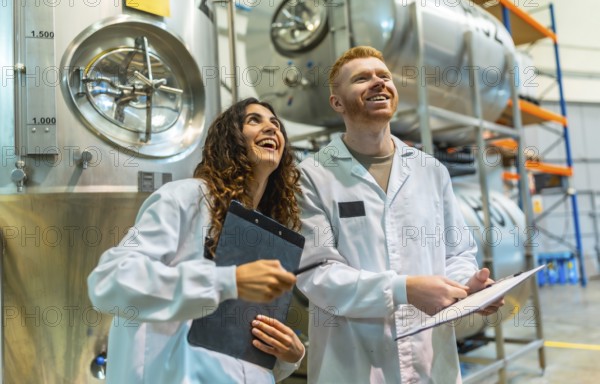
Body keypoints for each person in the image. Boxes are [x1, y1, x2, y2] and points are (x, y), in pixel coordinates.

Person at [295, 46, 503, 383]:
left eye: (384, 77)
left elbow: (456, 251)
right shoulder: (312, 175)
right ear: (337, 103)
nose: (378, 83)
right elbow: (316, 274)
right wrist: (403, 290)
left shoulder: (430, 170)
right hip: (354, 363)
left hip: (429, 359)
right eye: (362, 78)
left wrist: (468, 286)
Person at [88, 98, 305, 383]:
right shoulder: (186, 198)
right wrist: (226, 281)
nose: (270, 128)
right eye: (255, 120)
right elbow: (110, 280)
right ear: (231, 140)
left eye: (275, 124)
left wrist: (288, 355)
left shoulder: (269, 232)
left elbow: (236, 353)